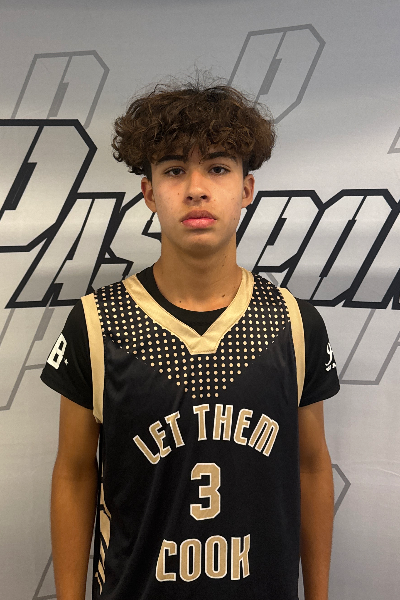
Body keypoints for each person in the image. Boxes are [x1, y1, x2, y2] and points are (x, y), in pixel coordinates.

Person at [41, 79, 339, 600]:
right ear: (149, 192)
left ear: (246, 189)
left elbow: (312, 468)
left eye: (218, 168)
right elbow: (74, 473)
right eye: (175, 170)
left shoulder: (294, 323)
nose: (196, 188)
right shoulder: (96, 323)